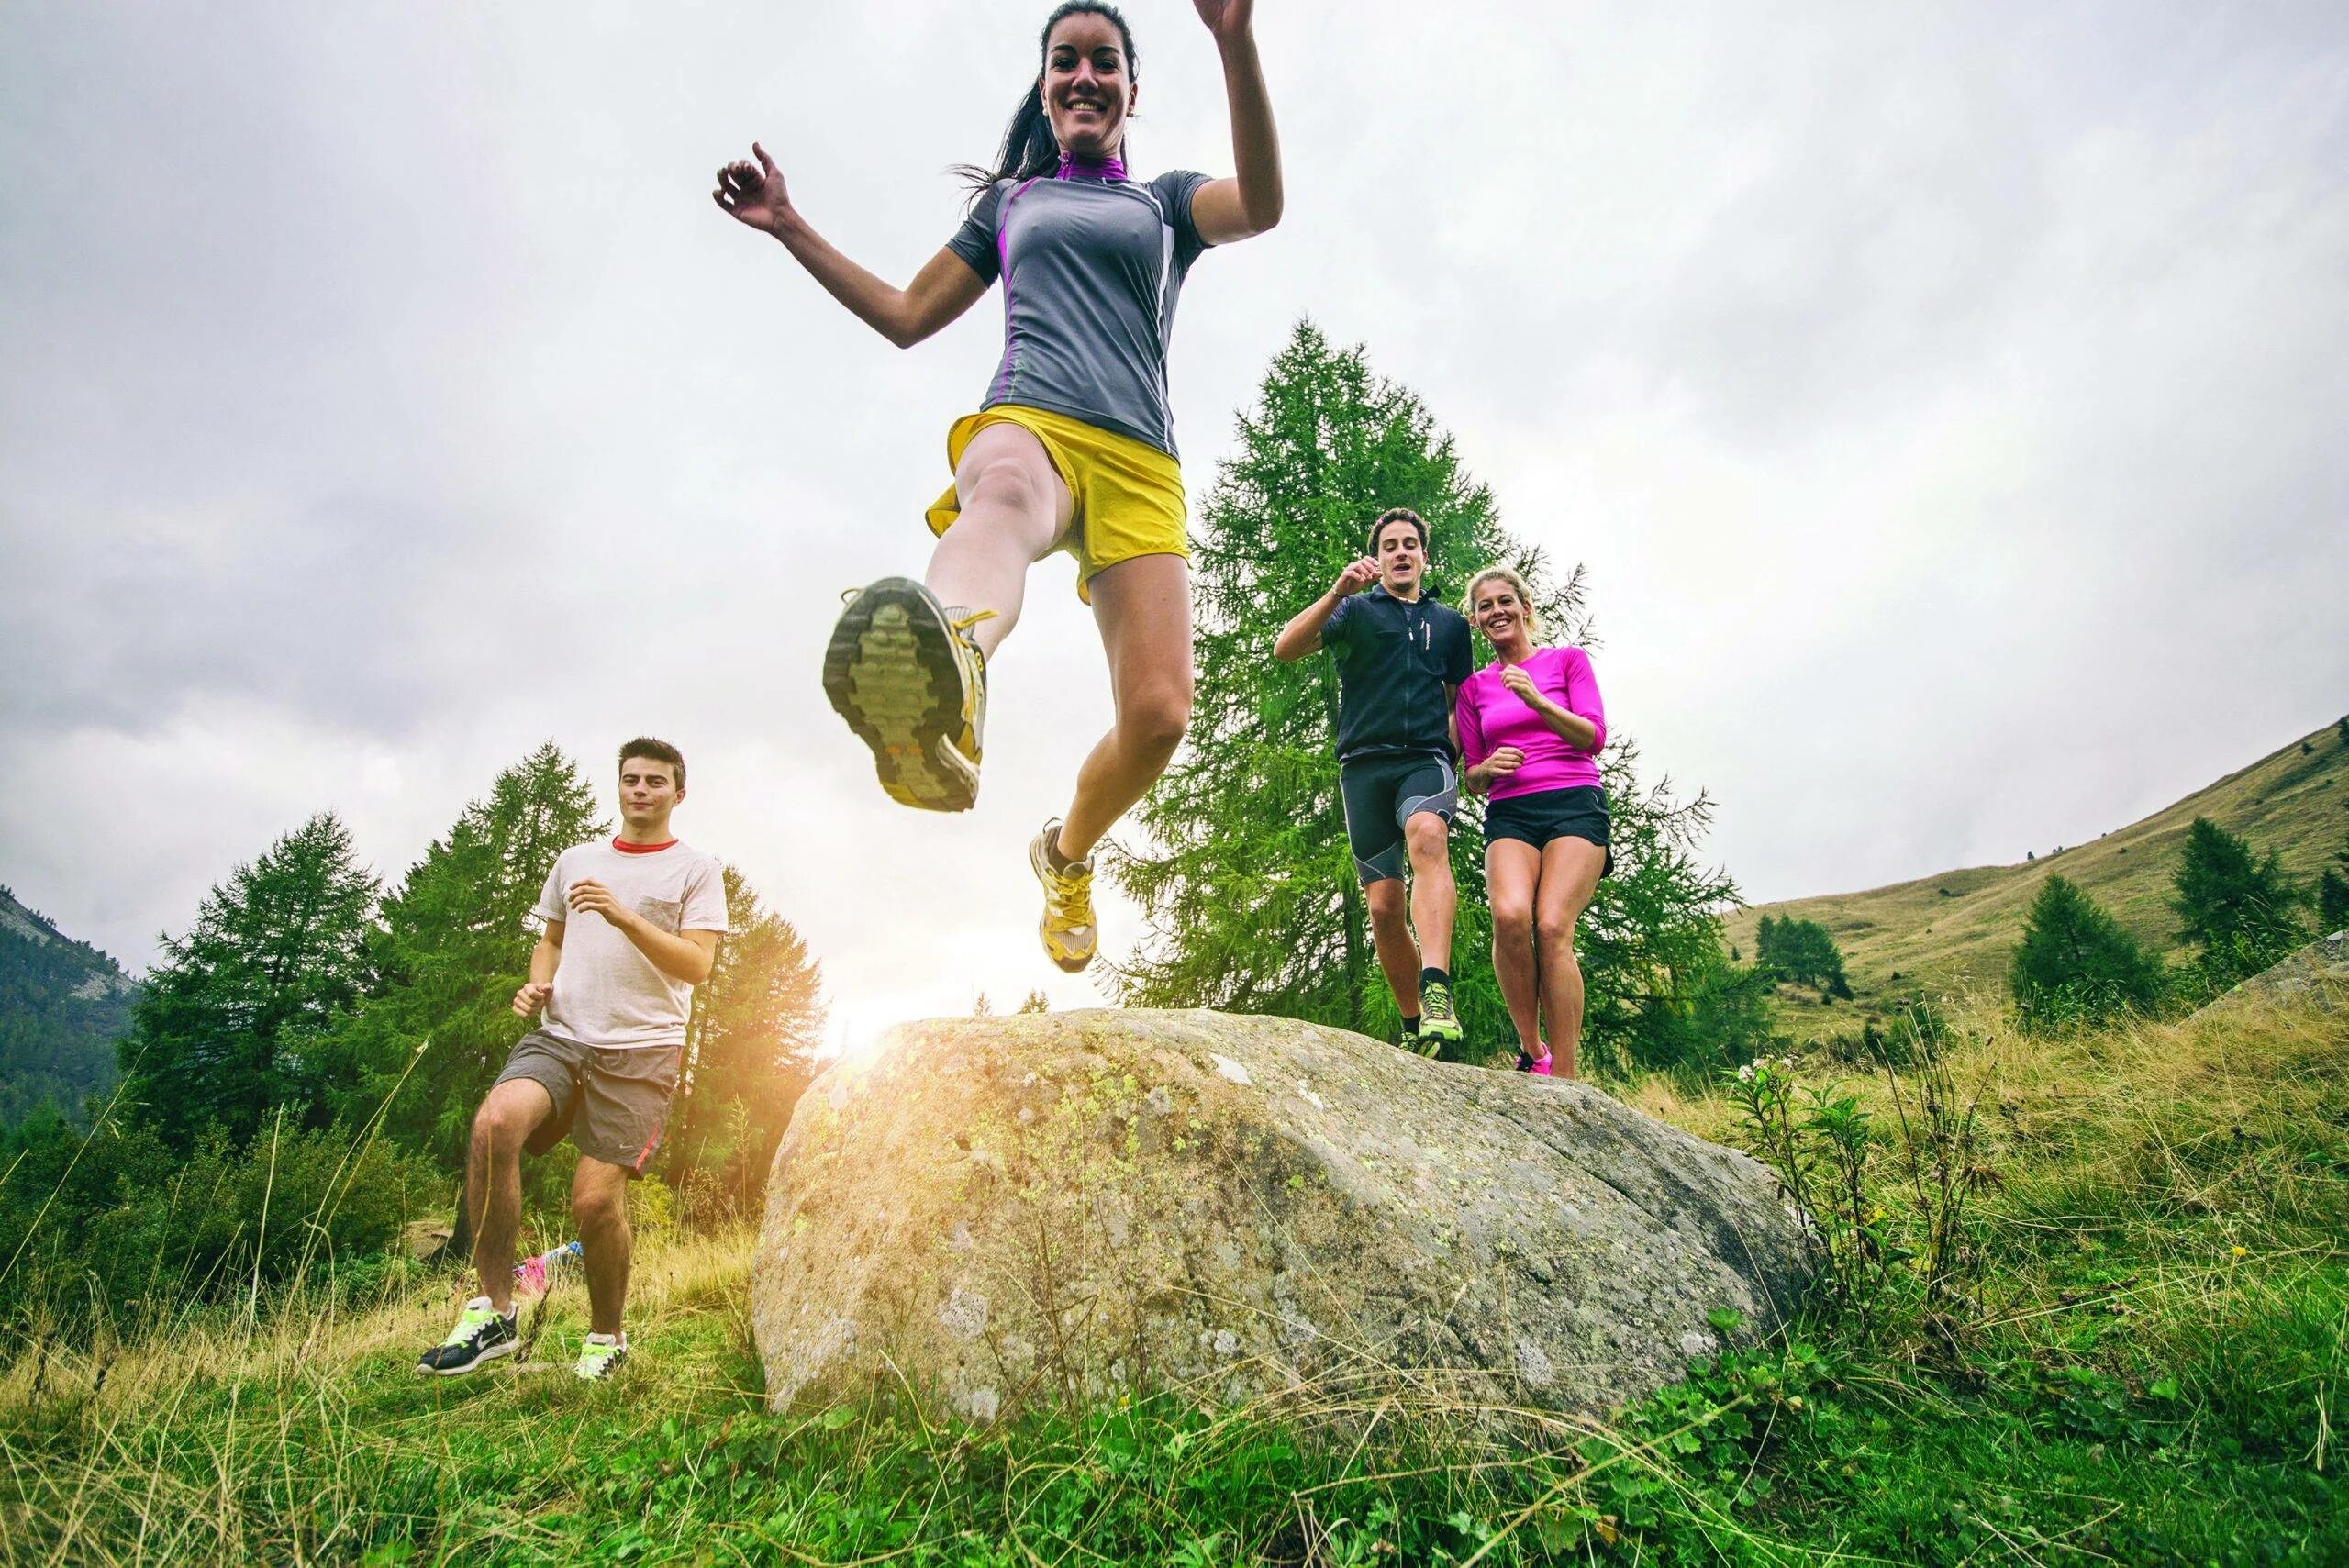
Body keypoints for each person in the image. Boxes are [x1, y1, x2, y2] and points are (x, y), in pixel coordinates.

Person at [712, 0, 1283, 974]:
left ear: (1131, 90)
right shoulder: (1011, 206)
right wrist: (790, 227)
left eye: (1104, 62)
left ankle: (1064, 855)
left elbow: (1263, 205)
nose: (1085, 77)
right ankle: (949, 668)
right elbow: (904, 313)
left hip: (1141, 458)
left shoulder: (1166, 205)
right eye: (1065, 62)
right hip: (1033, 419)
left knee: (1159, 717)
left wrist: (1233, 38)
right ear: (1046, 88)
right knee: (1006, 489)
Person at [416, 740, 727, 1381]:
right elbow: (550, 939)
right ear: (619, 785)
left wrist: (624, 916)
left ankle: (606, 1337)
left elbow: (697, 963)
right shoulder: (575, 859)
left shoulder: (696, 869)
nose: (640, 789)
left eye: (655, 781)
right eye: (631, 779)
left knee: (592, 1201)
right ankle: (494, 1312)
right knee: (494, 1123)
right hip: (563, 1033)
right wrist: (539, 984)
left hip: (641, 1050)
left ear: (678, 793)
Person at [1274, 508, 1474, 1051]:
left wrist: (1456, 764)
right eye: (1390, 546)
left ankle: (1436, 988)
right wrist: (1337, 592)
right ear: (1378, 558)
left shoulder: (1452, 625)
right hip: (1362, 767)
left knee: (1428, 835)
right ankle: (1418, 1028)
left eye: (1411, 544)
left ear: (1424, 556)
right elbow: (1286, 647)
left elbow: (1459, 704)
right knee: (1384, 907)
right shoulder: (1354, 611)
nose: (1401, 552)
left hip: (1424, 761)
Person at [1454, 567, 1609, 1079]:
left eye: (1505, 601)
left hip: (1573, 801)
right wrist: (1483, 769)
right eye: (1485, 606)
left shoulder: (1567, 662)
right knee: (1510, 916)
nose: (1496, 611)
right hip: (1511, 811)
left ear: (1524, 607)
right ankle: (1533, 1050)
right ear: (1476, 620)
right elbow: (1472, 774)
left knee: (1551, 925)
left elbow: (1592, 737)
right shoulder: (1474, 688)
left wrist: (1536, 700)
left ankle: (1565, 1076)